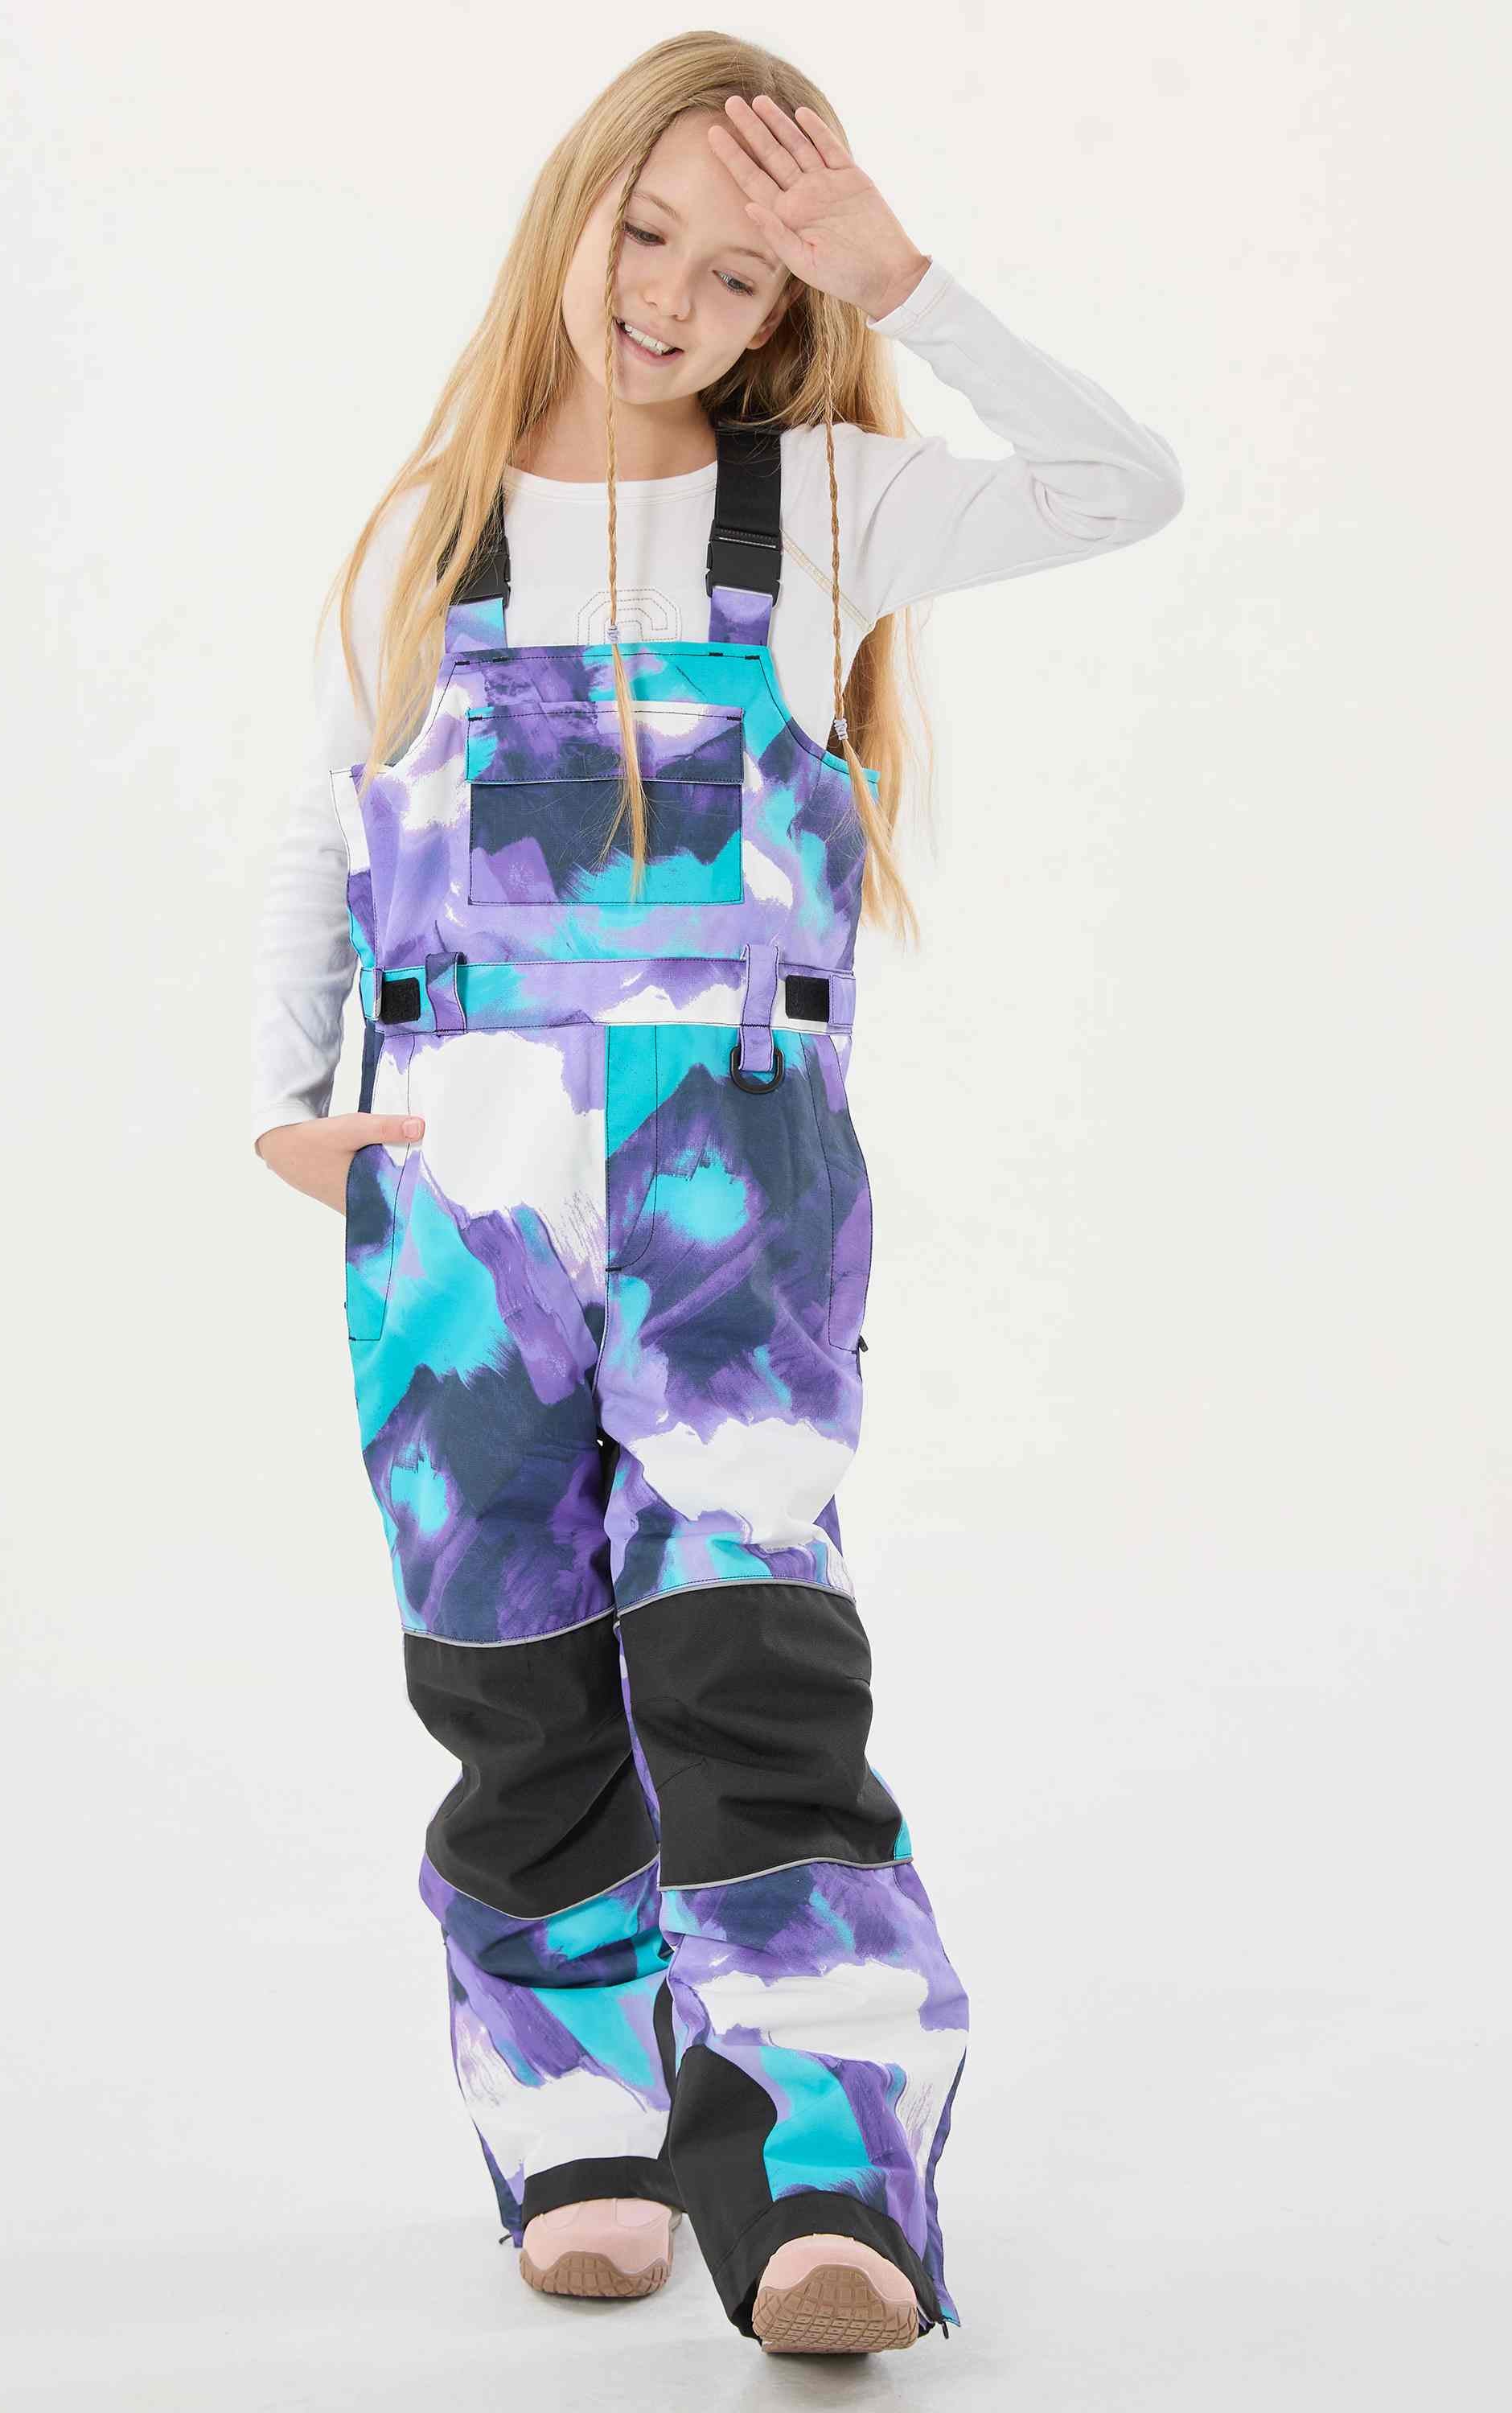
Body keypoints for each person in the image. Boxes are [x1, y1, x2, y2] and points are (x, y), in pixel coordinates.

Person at [249, 30, 1182, 2358]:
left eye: (745, 273)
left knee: (742, 1640)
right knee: (508, 1655)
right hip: (457, 1171)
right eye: (647, 229)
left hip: (732, 1164)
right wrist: (283, 1097)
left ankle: (821, 2157)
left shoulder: (830, 509)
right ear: (569, 208)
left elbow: (1121, 484)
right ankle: (579, 2122)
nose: (673, 295)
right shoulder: (425, 530)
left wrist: (907, 281)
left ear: (792, 310)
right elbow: (310, 821)